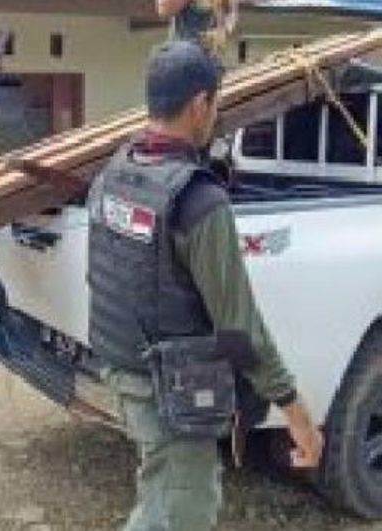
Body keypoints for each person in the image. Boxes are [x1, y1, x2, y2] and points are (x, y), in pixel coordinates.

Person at [87, 41, 324, 531]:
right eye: (216, 104)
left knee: (159, 493)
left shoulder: (117, 169)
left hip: (121, 364)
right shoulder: (199, 201)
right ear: (201, 104)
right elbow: (239, 329)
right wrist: (296, 415)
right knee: (185, 511)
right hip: (166, 388)